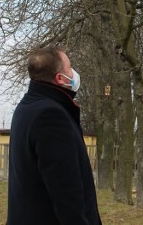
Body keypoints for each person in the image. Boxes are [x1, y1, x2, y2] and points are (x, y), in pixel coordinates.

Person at [7, 45, 101, 225]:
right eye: (70, 68)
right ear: (60, 78)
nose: (74, 73)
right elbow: (66, 194)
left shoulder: (25, 107)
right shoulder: (51, 115)